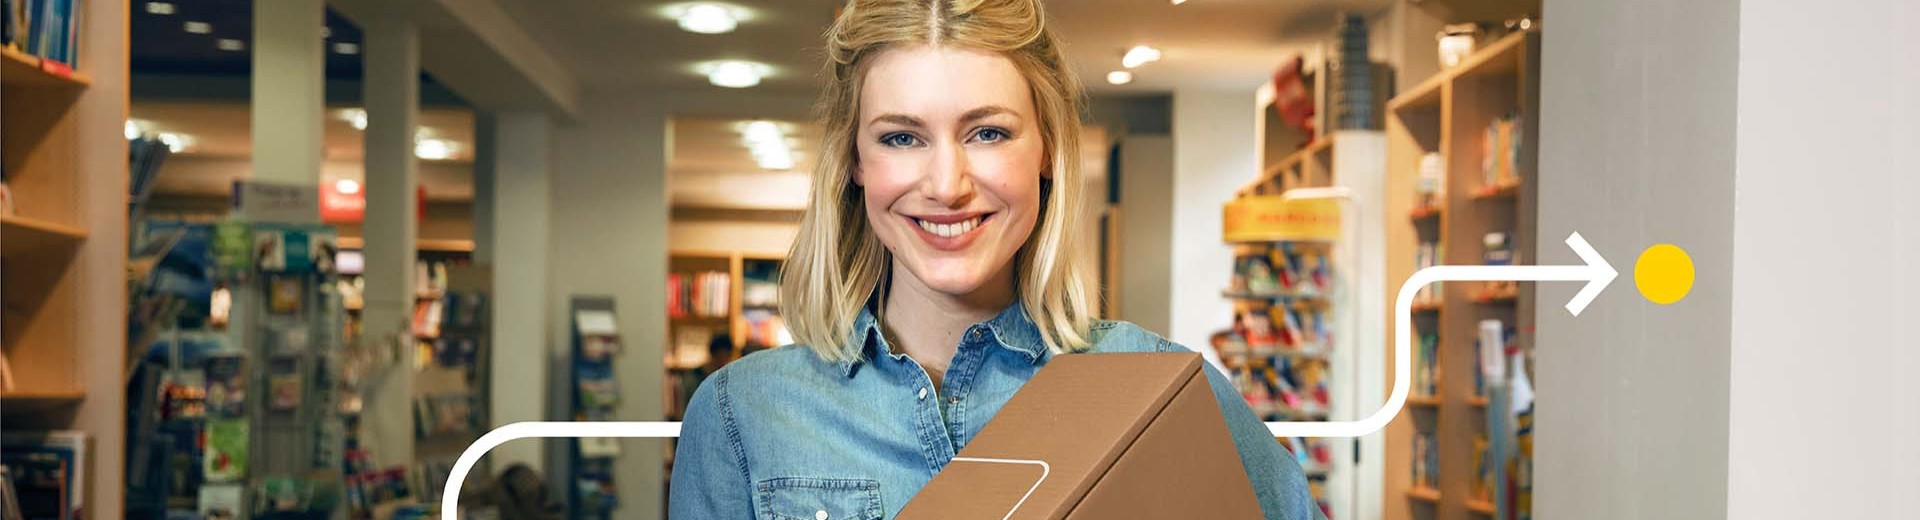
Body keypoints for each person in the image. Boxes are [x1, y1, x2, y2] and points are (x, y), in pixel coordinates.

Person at [669, 0, 1321, 518]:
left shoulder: (1157, 387)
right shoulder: (743, 413)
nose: (947, 183)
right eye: (902, 137)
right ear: (855, 163)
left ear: (1046, 149)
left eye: (988, 132)